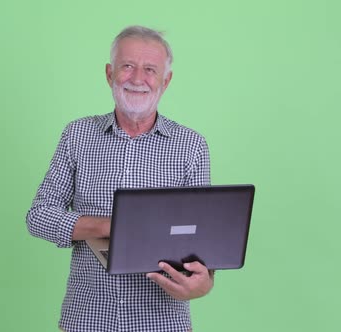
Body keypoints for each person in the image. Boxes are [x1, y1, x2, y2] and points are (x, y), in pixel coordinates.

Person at [26, 25, 214, 332]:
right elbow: (39, 216)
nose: (138, 79)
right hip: (86, 321)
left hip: (163, 324)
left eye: (150, 70)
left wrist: (202, 285)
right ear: (109, 73)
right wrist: (110, 225)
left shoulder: (191, 146)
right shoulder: (78, 135)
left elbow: (202, 243)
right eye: (127, 66)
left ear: (165, 81)